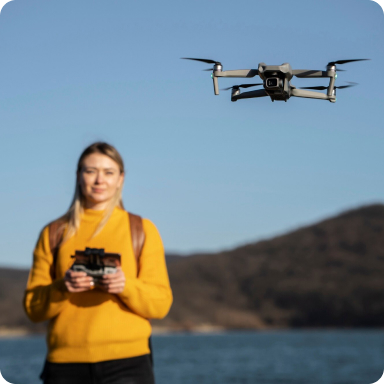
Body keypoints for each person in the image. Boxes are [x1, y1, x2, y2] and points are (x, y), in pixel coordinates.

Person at [23, 142, 173, 384]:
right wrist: (64, 286)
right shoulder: (54, 233)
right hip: (64, 364)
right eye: (91, 171)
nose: (99, 180)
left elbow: (161, 304)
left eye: (109, 172)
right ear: (78, 175)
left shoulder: (142, 230)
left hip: (129, 362)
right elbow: (33, 308)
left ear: (121, 178)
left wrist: (125, 286)